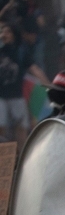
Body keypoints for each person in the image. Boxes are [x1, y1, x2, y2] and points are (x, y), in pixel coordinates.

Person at [0, 20, 48, 149]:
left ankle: (21, 157)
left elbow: (35, 70)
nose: (4, 34)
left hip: (17, 96)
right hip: (1, 97)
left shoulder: (21, 53)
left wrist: (49, 86)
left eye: (8, 31)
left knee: (21, 129)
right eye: (2, 31)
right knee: (1, 128)